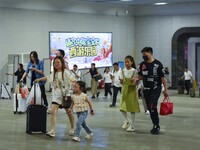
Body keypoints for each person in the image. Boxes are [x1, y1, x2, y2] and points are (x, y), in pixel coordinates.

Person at [34, 56, 75, 137]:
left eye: (58, 62)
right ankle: (52, 131)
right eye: (55, 63)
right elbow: (48, 77)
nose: (56, 64)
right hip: (56, 96)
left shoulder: (66, 72)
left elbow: (73, 80)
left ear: (62, 63)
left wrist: (74, 89)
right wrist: (39, 79)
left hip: (65, 96)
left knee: (69, 112)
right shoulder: (54, 73)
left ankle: (72, 127)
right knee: (53, 112)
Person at [135, 47, 168, 135]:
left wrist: (166, 90)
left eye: (145, 55)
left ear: (150, 53)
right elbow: (140, 76)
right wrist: (136, 79)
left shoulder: (158, 64)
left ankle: (156, 125)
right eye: (142, 55)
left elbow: (162, 78)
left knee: (153, 105)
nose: (143, 56)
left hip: (156, 88)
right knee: (150, 108)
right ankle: (155, 124)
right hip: (146, 89)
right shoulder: (142, 65)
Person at [119, 55, 140, 132]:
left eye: (128, 62)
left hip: (131, 91)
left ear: (131, 62)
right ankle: (127, 120)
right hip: (124, 90)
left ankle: (132, 125)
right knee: (122, 107)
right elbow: (122, 82)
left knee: (132, 108)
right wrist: (121, 81)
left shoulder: (134, 71)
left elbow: (137, 82)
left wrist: (134, 82)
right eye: (125, 62)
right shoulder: (123, 71)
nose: (126, 63)